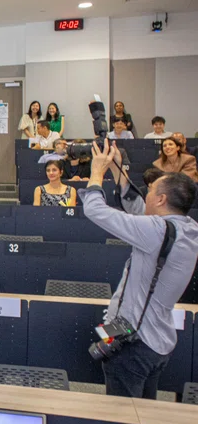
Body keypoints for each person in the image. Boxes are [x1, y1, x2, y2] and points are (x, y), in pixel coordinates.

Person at [81, 139, 198, 399]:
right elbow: (139, 209)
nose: (146, 194)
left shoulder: (154, 230)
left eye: (151, 190)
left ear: (161, 199)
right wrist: (117, 169)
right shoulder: (187, 228)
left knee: (123, 418)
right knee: (144, 414)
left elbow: (94, 209)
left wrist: (97, 172)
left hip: (133, 344)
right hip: (157, 341)